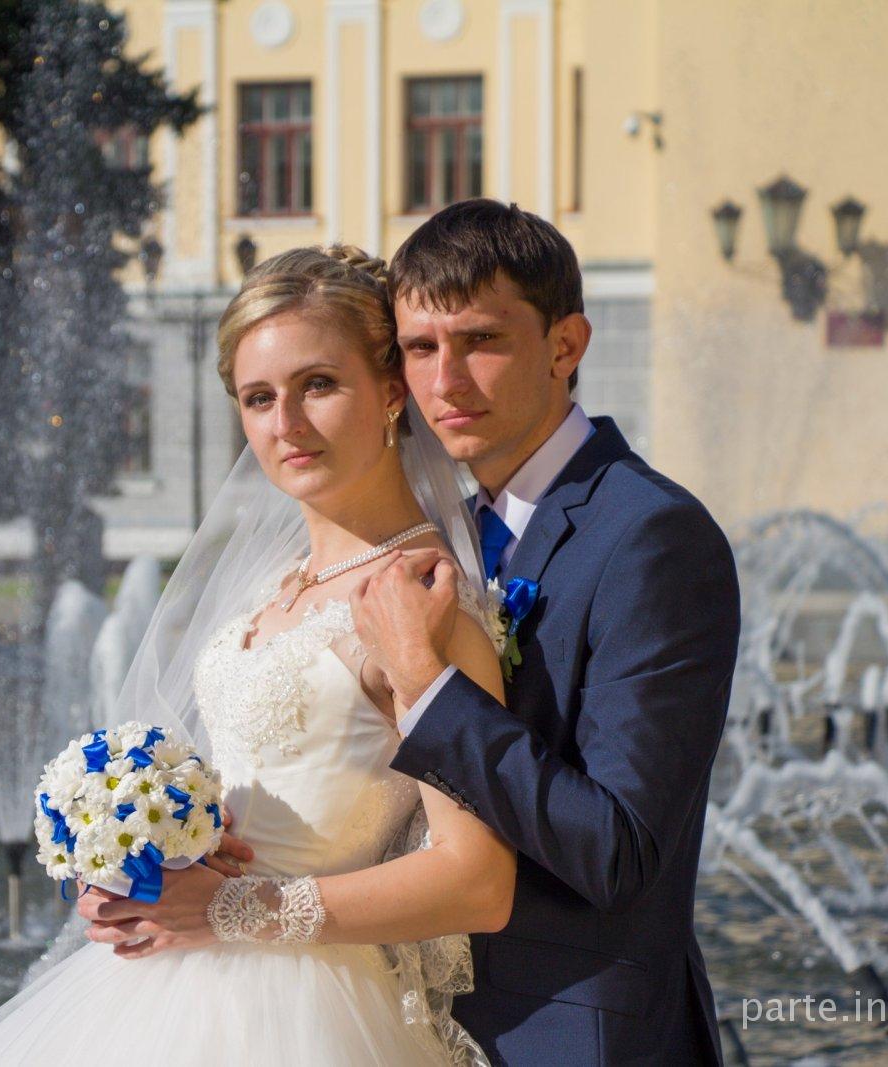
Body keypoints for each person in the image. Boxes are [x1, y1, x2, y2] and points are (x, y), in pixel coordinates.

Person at [0, 246, 511, 1066]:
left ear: (391, 391)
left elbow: (477, 881)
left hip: (308, 1011)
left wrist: (231, 909)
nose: (286, 424)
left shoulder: (423, 601)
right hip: (159, 988)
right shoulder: (276, 584)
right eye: (259, 397)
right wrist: (140, 868)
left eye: (319, 384)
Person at [351, 200, 740, 1064]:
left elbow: (617, 849)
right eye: (421, 348)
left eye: (481, 340)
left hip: (570, 1035)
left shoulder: (652, 536)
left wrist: (427, 683)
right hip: (409, 1022)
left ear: (565, 346)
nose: (446, 380)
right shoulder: (439, 535)